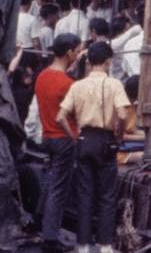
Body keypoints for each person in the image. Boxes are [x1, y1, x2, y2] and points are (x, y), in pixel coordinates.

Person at [57, 41, 131, 253]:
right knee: (107, 195)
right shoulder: (114, 84)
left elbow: (61, 116)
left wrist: (73, 137)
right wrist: (119, 134)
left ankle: (82, 246)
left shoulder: (77, 85)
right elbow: (124, 114)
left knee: (85, 194)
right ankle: (105, 245)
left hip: (84, 140)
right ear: (108, 62)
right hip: (106, 141)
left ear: (88, 62)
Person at [35, 34, 82, 251]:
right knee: (58, 189)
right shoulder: (68, 84)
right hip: (63, 138)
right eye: (77, 51)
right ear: (70, 52)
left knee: (51, 178)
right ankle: (50, 236)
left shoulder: (43, 76)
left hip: (47, 136)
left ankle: (40, 219)